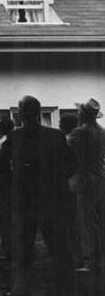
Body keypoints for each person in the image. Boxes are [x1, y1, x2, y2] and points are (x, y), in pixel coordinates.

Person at [0, 95, 75, 296]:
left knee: (24, 248)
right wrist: (58, 176)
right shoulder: (55, 135)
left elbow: (1, 165)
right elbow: (71, 163)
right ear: (39, 112)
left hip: (25, 198)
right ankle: (65, 288)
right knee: (58, 246)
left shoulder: (15, 136)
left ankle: (24, 289)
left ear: (21, 113)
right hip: (51, 196)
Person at [68, 98, 105, 284]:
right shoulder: (102, 132)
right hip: (100, 178)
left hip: (84, 181)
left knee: (86, 222)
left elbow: (67, 151)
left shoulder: (79, 132)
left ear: (83, 114)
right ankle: (99, 259)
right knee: (98, 221)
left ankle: (90, 260)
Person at [0, 116, 15, 261]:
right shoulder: (21, 141)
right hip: (19, 182)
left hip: (5, 182)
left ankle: (8, 248)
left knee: (5, 215)